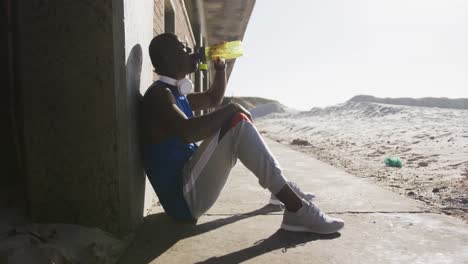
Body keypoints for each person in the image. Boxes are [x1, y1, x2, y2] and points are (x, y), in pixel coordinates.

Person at [141, 33, 344, 234]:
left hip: (189, 184)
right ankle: (297, 209)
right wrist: (231, 109)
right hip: (183, 200)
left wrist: (220, 69)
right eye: (183, 48)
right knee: (236, 123)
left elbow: (213, 98)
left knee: (234, 120)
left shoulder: (174, 93)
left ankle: (280, 190)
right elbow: (188, 132)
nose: (190, 51)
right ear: (167, 57)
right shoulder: (158, 94)